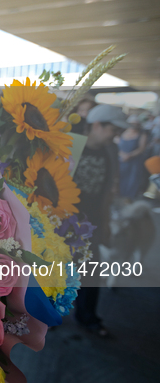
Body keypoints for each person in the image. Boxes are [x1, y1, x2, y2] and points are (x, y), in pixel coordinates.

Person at [72, 104, 129, 336]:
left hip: (93, 221)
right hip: (63, 221)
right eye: (113, 130)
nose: (116, 135)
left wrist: (105, 223)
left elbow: (109, 189)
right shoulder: (71, 145)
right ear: (97, 125)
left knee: (92, 272)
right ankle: (51, 317)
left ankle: (88, 317)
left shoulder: (110, 151)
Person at [118, 115, 148, 200]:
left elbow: (141, 148)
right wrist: (122, 154)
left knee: (132, 181)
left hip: (134, 162)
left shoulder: (142, 134)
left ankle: (128, 199)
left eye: (135, 124)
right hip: (121, 161)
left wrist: (130, 155)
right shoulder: (122, 132)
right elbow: (117, 145)